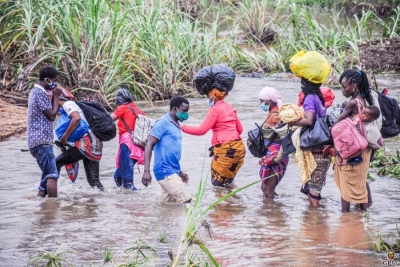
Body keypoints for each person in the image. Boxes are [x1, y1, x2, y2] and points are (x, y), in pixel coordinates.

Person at [181, 89, 245, 189]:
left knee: (217, 182)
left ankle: (227, 203)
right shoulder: (230, 108)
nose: (207, 99)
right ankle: (236, 201)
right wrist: (219, 144)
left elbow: (201, 131)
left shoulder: (215, 110)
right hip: (239, 148)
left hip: (227, 150)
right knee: (226, 181)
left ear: (212, 96)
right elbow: (240, 130)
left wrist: (182, 127)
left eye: (207, 96)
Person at [332, 70, 375, 212]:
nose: (343, 90)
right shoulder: (364, 100)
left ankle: (345, 215)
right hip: (364, 146)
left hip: (354, 147)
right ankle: (363, 214)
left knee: (347, 181)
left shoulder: (352, 103)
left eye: (344, 87)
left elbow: (336, 125)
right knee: (359, 180)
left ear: (354, 86)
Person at [289, 78, 331, 208]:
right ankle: (316, 219)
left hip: (315, 147)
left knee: (313, 187)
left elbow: (309, 120)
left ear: (305, 86)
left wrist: (291, 122)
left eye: (302, 84)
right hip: (324, 145)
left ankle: (314, 220)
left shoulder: (309, 98)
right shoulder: (319, 97)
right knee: (315, 185)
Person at [142, 96, 192, 203]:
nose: (186, 114)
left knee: (169, 207)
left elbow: (170, 152)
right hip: (164, 170)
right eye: (184, 111)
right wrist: (146, 171)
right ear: (175, 109)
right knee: (186, 199)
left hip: (172, 170)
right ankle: (192, 220)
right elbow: (149, 144)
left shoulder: (177, 124)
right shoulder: (162, 123)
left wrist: (180, 172)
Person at [55, 90, 104, 191]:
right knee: (94, 181)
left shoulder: (67, 104)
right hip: (94, 143)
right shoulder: (73, 105)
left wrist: (64, 138)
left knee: (56, 163)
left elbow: (76, 119)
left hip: (86, 144)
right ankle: (100, 201)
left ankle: (52, 191)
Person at [27, 66, 62, 197]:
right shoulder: (40, 93)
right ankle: (53, 208)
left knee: (45, 178)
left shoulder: (35, 92)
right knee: (52, 175)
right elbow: (52, 115)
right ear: (46, 79)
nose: (55, 84)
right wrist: (57, 96)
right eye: (54, 80)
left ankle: (43, 207)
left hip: (36, 141)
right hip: (42, 142)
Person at [257, 86, 289, 198]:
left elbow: (285, 138)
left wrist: (277, 158)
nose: (260, 104)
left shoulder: (276, 116)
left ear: (269, 101)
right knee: (265, 188)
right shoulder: (273, 113)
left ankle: (272, 214)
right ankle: (273, 210)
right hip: (271, 154)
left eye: (262, 101)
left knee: (267, 190)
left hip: (276, 155)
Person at [110, 88, 144, 191]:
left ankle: (132, 201)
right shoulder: (139, 111)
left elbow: (108, 119)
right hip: (138, 146)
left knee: (127, 181)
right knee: (118, 176)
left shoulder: (123, 108)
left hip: (127, 144)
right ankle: (124, 197)